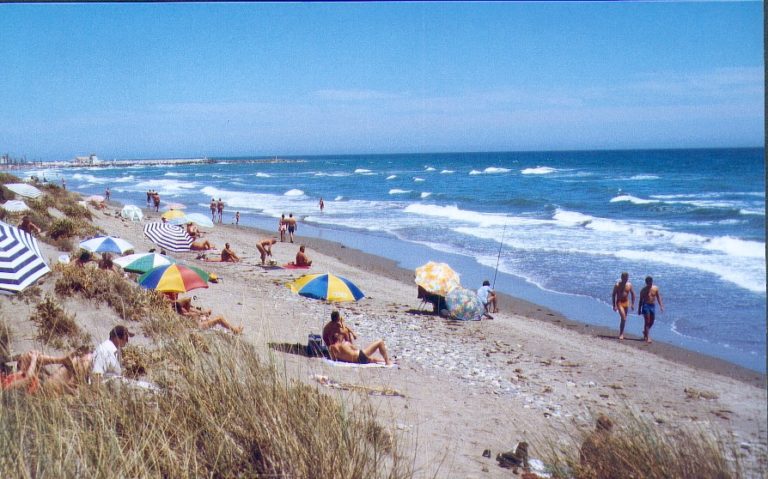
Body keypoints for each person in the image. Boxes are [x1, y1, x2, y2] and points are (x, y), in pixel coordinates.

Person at [2, 349, 93, 395]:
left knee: (28, 355)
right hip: (45, 388)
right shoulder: (4, 386)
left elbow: (24, 375)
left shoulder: (6, 379)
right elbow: (28, 378)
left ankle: (62, 360)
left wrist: (32, 358)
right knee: (82, 360)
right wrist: (34, 359)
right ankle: (72, 387)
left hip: (39, 381)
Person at [166, 293, 243, 334]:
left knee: (213, 317)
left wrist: (202, 312)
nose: (177, 294)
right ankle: (234, 330)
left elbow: (190, 310)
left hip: (197, 322)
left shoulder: (179, 308)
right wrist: (201, 313)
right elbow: (190, 312)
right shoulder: (177, 308)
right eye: (175, 294)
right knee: (219, 318)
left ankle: (233, 329)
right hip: (198, 325)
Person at [638, 276, 664, 343]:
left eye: (650, 282)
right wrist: (639, 309)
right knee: (647, 321)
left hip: (652, 306)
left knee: (652, 321)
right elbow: (640, 300)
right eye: (648, 283)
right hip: (645, 305)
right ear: (646, 283)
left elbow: (658, 297)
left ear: (652, 282)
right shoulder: (643, 290)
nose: (649, 284)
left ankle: (645, 332)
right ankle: (648, 337)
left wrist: (661, 305)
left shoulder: (655, 288)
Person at [611, 272, 635, 340]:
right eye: (624, 278)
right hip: (619, 302)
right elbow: (613, 294)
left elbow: (633, 294)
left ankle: (621, 333)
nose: (625, 279)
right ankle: (621, 334)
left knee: (623, 319)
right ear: (621, 278)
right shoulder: (617, 285)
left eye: (626, 278)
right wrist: (614, 305)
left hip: (626, 302)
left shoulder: (629, 285)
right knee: (624, 318)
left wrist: (632, 304)